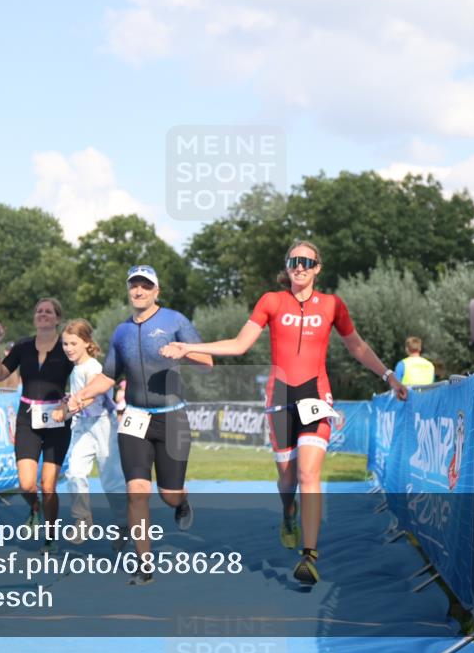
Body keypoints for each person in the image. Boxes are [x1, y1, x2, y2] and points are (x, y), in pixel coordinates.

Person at [161, 241, 407, 585]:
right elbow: (239, 344)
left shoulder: (333, 305)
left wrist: (389, 376)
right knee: (288, 480)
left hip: (316, 394)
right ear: (287, 266)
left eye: (307, 261)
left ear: (318, 267)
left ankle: (309, 555)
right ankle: (287, 511)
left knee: (308, 474)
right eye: (294, 261)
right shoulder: (272, 301)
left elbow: (357, 346)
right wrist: (190, 346)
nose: (300, 266)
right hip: (280, 396)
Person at [67, 265, 213, 586]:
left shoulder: (175, 320)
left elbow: (208, 363)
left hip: (172, 417)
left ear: (156, 291)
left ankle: (182, 500)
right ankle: (144, 563)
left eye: (146, 285)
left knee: (168, 494)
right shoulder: (121, 332)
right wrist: (82, 395)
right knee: (136, 491)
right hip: (134, 419)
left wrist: (184, 350)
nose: (139, 291)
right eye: (134, 285)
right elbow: (108, 376)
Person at [0, 298, 72, 553]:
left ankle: (51, 537)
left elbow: (81, 372)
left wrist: (73, 403)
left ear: (57, 318)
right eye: (39, 311)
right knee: (26, 484)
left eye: (48, 311)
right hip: (27, 417)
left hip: (57, 418)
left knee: (48, 486)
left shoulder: (66, 347)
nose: (43, 314)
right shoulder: (23, 345)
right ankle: (34, 509)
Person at [51, 319, 128, 549]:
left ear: (86, 342)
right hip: (83, 426)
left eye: (73, 343)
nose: (68, 348)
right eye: (65, 344)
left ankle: (124, 523)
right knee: (74, 472)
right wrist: (66, 407)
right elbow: (75, 398)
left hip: (103, 426)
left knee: (111, 481)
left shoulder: (93, 367)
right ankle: (82, 518)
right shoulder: (75, 369)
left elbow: (94, 395)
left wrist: (68, 408)